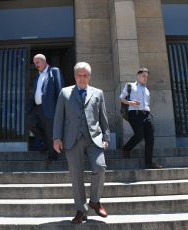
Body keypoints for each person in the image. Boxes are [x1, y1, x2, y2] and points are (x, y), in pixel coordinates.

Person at [53, 62, 110, 224]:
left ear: (89, 77)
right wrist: (56, 138)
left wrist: (106, 136)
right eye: (79, 75)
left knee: (100, 167)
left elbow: (103, 117)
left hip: (94, 138)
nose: (82, 78)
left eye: (85, 75)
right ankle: (81, 210)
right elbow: (58, 117)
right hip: (72, 138)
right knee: (76, 174)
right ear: (75, 76)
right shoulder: (64, 93)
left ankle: (95, 200)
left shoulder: (98, 93)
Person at [119, 67, 162, 169]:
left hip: (147, 114)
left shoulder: (147, 90)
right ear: (138, 76)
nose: (145, 78)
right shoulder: (130, 86)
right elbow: (121, 98)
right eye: (143, 76)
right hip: (134, 113)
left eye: (147, 77)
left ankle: (149, 163)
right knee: (139, 135)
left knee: (150, 138)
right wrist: (131, 103)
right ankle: (126, 148)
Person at [27, 54, 64, 162]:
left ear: (44, 61)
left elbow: (60, 89)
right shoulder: (38, 75)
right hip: (37, 107)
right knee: (30, 123)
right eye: (34, 63)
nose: (36, 65)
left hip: (50, 107)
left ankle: (53, 155)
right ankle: (48, 143)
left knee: (50, 132)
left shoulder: (54, 71)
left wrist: (60, 107)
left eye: (37, 62)